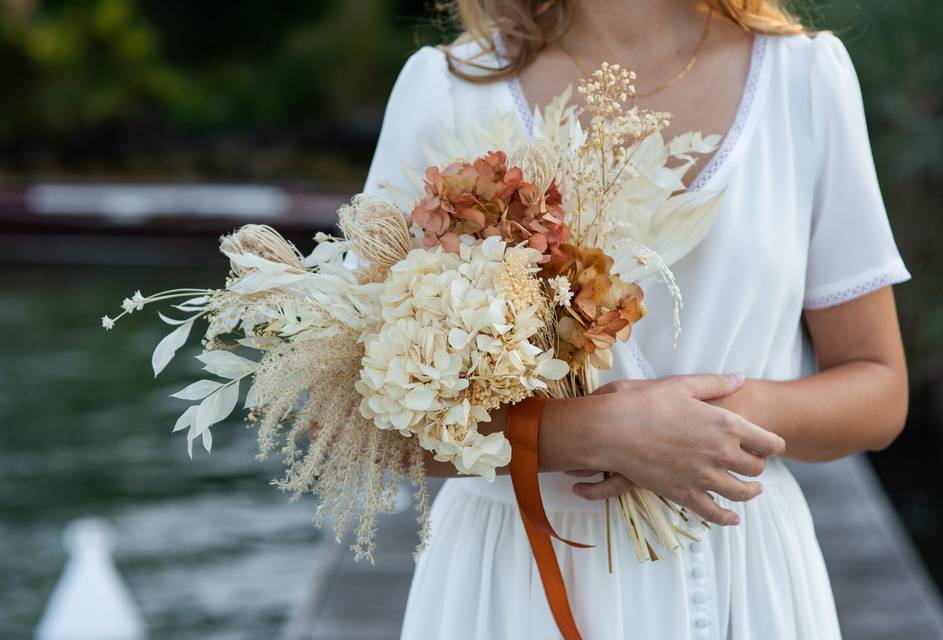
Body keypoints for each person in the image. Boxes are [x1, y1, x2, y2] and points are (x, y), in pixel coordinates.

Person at [361, 1, 911, 637]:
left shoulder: (805, 79)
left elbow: (878, 386)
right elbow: (358, 412)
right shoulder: (447, 85)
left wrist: (706, 427)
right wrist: (590, 433)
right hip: (516, 580)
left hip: (743, 574)